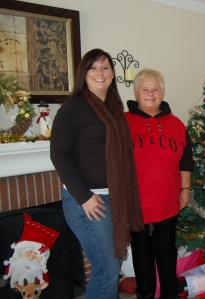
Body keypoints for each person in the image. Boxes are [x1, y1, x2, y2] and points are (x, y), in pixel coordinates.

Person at [50, 48, 144, 299]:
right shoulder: (74, 106)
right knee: (107, 269)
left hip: (113, 197)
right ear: (84, 73)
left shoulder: (114, 107)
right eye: (93, 68)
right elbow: (58, 154)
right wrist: (85, 197)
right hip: (89, 202)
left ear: (113, 74)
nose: (99, 73)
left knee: (109, 267)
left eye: (105, 67)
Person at [125, 68, 194, 299]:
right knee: (141, 255)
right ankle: (144, 294)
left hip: (168, 203)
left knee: (167, 254)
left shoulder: (176, 124)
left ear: (163, 92)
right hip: (137, 205)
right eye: (145, 89)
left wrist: (185, 189)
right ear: (136, 92)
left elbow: (186, 159)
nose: (151, 94)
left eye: (155, 89)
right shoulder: (123, 123)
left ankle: (169, 295)